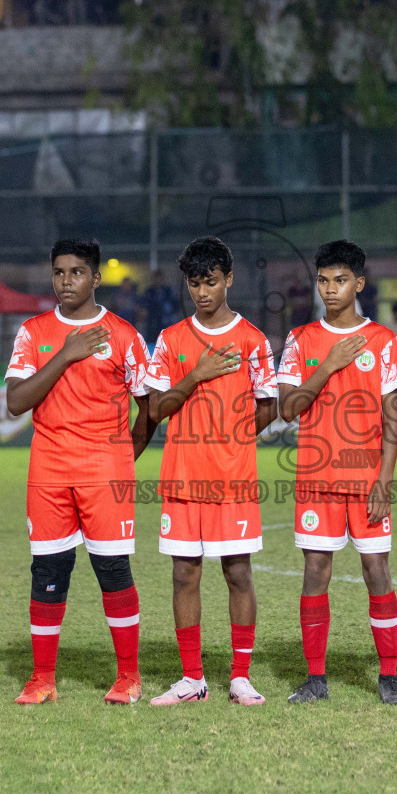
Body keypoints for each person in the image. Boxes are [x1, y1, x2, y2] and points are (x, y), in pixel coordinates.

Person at [4, 237, 151, 705]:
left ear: (95, 277)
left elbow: (149, 408)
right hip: (48, 469)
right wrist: (66, 354)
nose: (66, 281)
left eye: (76, 272)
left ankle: (129, 676)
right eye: (59, 273)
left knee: (112, 569)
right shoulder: (33, 332)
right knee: (48, 569)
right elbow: (15, 401)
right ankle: (42, 678)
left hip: (104, 471)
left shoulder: (123, 335)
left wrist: (124, 457)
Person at [145, 236, 277, 706]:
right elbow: (157, 407)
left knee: (238, 573)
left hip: (233, 480)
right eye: (195, 283)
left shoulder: (252, 340)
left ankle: (240, 676)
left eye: (211, 282)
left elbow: (270, 406)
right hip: (182, 478)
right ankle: (192, 679)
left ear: (229, 280)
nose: (203, 292)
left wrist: (235, 434)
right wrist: (195, 375)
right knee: (184, 575)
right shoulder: (171, 340)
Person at [277, 241, 397, 706]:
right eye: (324, 280)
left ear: (359, 283)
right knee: (316, 570)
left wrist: (385, 480)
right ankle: (316, 679)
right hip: (316, 480)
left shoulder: (385, 342)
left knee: (377, 569)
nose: (331, 290)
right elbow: (288, 408)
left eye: (340, 280)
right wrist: (328, 365)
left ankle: (389, 677)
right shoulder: (302, 340)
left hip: (366, 479)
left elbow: (393, 416)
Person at [141, 270, 180, 345]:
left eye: (160, 278)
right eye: (156, 278)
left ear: (163, 279)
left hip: (166, 323)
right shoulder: (149, 291)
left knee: (167, 343)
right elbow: (144, 306)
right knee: (152, 344)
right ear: (153, 279)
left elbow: (176, 306)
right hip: (152, 323)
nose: (158, 281)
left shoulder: (169, 291)